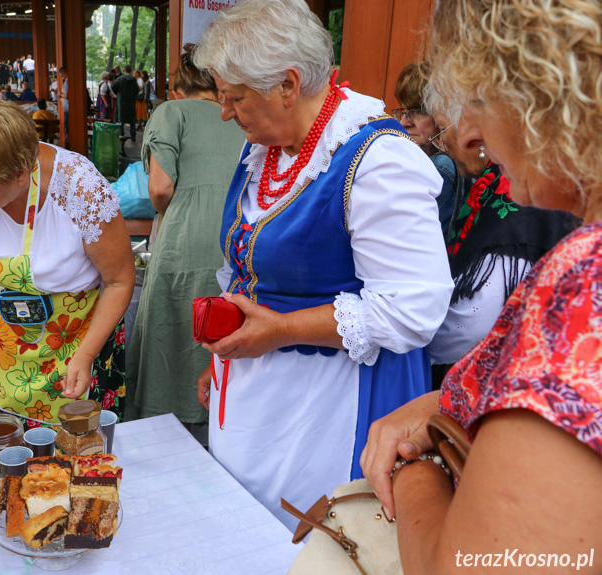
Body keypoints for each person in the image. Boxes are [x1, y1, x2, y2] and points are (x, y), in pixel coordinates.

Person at [192, 0, 453, 531]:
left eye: (234, 97)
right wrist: (227, 354)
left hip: (329, 403)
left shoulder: (378, 159)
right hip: (257, 392)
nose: (224, 111)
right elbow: (247, 271)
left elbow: (415, 308)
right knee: (238, 530)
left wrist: (283, 329)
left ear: (287, 85)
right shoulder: (266, 150)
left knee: (299, 540)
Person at [362, 1, 602, 571]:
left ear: (551, 93)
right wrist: (443, 402)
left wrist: (417, 468)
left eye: (478, 98)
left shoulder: (584, 282)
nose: (467, 133)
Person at [0, 97, 134, 426]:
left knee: (85, 458)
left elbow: (119, 281)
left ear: (19, 174)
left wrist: (86, 354)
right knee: (24, 458)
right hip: (12, 352)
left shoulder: (79, 188)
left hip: (82, 342)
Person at [127, 44, 247, 428]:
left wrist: (170, 218)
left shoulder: (170, 111)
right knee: (221, 325)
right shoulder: (241, 116)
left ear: (178, 87)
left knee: (171, 325)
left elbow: (160, 187)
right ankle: (212, 417)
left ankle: (163, 419)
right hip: (238, 238)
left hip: (186, 231)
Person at [423, 85, 578, 376]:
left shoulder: (518, 191)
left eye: (443, 129)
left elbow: (474, 321)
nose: (442, 142)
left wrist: (407, 336)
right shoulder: (495, 182)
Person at [394, 62, 458, 239]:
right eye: (404, 112)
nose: (404, 122)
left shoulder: (442, 166)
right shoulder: (430, 161)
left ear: (440, 115)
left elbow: (404, 235)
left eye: (416, 113)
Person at [111, 65, 138, 139]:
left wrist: (118, 93)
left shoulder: (120, 79)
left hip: (121, 101)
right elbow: (137, 90)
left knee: (121, 119)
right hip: (131, 102)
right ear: (130, 70)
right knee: (132, 120)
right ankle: (133, 135)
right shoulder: (133, 79)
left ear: (124, 70)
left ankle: (121, 135)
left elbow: (113, 86)